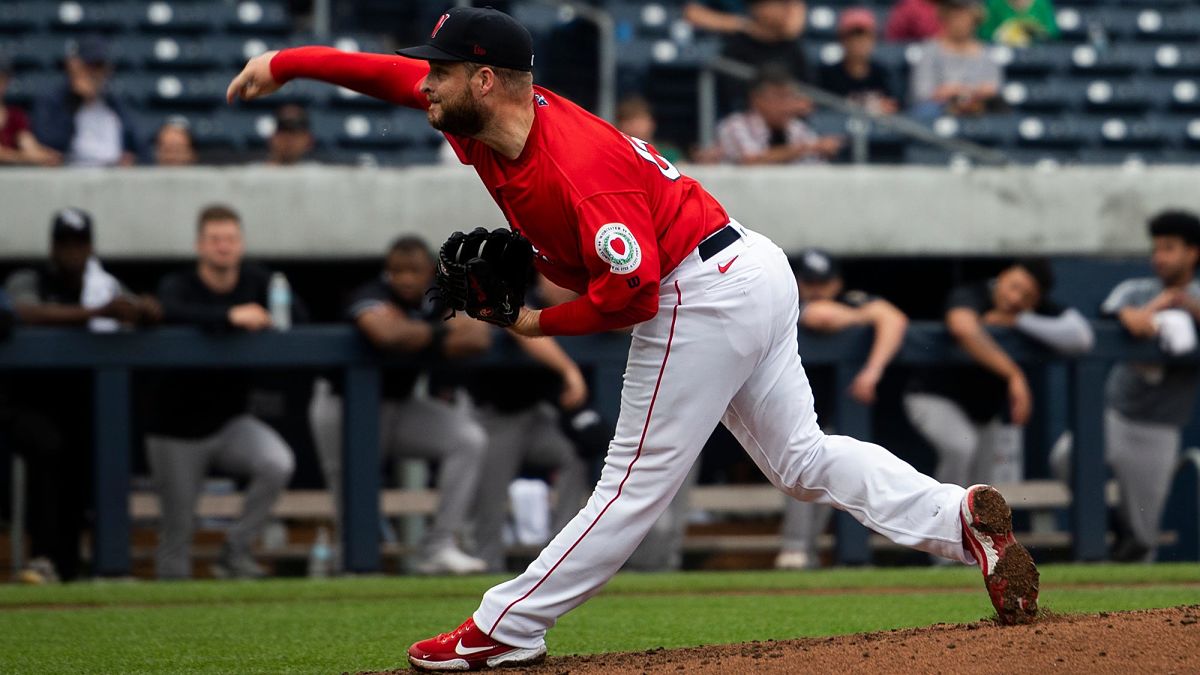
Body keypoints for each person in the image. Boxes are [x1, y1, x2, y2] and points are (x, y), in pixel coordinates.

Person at [226, 7, 1041, 668]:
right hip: (743, 262)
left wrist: (535, 320)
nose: (425, 85)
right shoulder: (480, 117)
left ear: (485, 79)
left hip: (698, 288)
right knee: (799, 456)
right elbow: (390, 76)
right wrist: (289, 62)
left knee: (630, 481)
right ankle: (957, 516)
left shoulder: (578, 168)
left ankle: (502, 626)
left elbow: (634, 294)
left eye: (442, 71)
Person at [308, 235, 491, 575]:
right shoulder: (371, 293)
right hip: (343, 405)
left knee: (468, 439)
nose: (405, 278)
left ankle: (438, 547)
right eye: (397, 271)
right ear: (387, 272)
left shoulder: (442, 291)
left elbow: (478, 336)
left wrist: (415, 332)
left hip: (401, 405)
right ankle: (351, 562)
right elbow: (385, 335)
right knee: (348, 484)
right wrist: (441, 335)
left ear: (431, 272)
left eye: (414, 271)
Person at [2, 209, 159, 583]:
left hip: (81, 403)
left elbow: (138, 308)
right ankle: (42, 556)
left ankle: (72, 567)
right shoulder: (31, 278)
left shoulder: (102, 283)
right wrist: (93, 313)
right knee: (48, 445)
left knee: (86, 457)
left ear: (90, 247)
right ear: (53, 246)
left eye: (79, 244)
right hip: (26, 401)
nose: (72, 252)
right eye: (65, 244)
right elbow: (21, 311)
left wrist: (146, 311)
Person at [145, 204, 300, 579]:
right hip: (175, 428)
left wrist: (268, 316)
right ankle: (168, 619)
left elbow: (298, 316)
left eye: (230, 239)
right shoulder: (178, 283)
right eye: (215, 239)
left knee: (276, 462)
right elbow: (167, 309)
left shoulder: (258, 281)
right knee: (178, 531)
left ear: (241, 244)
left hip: (230, 420)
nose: (223, 247)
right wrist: (229, 317)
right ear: (200, 245)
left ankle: (235, 551)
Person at [904, 259, 1093, 496]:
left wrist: (1019, 320)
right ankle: (940, 520)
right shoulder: (973, 292)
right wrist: (1014, 374)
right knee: (961, 446)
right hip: (932, 395)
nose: (1016, 299)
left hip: (983, 413)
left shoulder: (1027, 311)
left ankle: (969, 532)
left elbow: (1082, 337)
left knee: (982, 489)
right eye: (1014, 287)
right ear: (1003, 276)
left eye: (1027, 296)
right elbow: (962, 326)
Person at [776, 249, 909, 569]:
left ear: (837, 282)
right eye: (810, 282)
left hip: (831, 413)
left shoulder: (851, 300)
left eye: (824, 282)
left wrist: (873, 370)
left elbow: (894, 318)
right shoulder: (784, 298)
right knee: (799, 475)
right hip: (785, 411)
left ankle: (805, 552)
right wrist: (862, 318)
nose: (818, 289)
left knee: (825, 481)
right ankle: (794, 549)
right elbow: (820, 316)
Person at [464, 275, 592, 573]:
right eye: (557, 279)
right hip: (493, 414)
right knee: (490, 498)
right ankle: (486, 566)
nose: (567, 285)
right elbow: (518, 325)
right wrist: (569, 370)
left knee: (577, 448)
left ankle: (562, 555)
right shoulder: (520, 291)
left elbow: (624, 318)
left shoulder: (580, 303)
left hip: (536, 416)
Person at [1098, 211, 1200, 562]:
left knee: (1144, 537)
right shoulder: (1136, 289)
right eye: (1157, 248)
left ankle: (1142, 616)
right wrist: (1148, 310)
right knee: (1066, 458)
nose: (1160, 257)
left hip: (1158, 428)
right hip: (1116, 414)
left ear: (1193, 253)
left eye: (1170, 248)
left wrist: (1187, 305)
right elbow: (1111, 313)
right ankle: (1116, 526)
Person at [32, 36, 146, 167]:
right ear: (74, 66)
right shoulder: (52, 102)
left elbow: (139, 146)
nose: (94, 73)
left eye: (99, 66)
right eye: (88, 65)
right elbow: (51, 145)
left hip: (114, 178)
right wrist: (76, 101)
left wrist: (132, 160)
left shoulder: (117, 104)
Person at [687, 0, 810, 109]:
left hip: (790, 123)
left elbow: (810, 94)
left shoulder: (793, 48)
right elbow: (732, 97)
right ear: (757, 9)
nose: (785, 10)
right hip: (746, 121)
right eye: (777, 4)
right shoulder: (736, 47)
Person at [716, 68, 843, 165]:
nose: (786, 105)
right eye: (779, 97)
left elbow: (815, 166)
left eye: (789, 97)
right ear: (756, 99)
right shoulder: (734, 125)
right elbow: (750, 161)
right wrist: (806, 148)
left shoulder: (797, 127)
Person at [909, 0, 1003, 121]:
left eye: (965, 16)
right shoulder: (929, 51)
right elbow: (922, 93)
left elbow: (993, 89)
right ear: (945, 17)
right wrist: (954, 93)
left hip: (979, 109)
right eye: (955, 15)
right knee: (925, 112)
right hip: (940, 110)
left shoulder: (987, 53)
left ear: (974, 19)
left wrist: (963, 92)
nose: (960, 22)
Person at [818, 9, 900, 115]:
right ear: (842, 40)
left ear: (873, 40)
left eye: (864, 37)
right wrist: (871, 107)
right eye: (853, 37)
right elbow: (822, 111)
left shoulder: (883, 74)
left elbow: (894, 108)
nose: (859, 43)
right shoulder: (827, 75)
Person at [0, 56, 61, 166]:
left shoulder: (15, 116)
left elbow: (28, 145)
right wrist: (24, 158)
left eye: (1, 79)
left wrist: (46, 155)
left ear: (6, 81)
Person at [615, 96, 683, 166]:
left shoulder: (669, 153)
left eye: (640, 120)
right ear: (619, 125)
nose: (635, 126)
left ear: (652, 123)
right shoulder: (615, 155)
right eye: (629, 121)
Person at [979, 0, 1058, 47]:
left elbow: (1053, 34)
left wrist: (1037, 31)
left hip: (1038, 55)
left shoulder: (1042, 4)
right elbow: (985, 35)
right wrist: (1002, 34)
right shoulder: (995, 4)